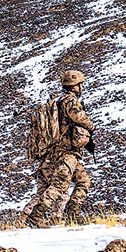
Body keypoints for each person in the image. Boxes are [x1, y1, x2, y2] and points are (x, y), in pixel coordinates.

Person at [25, 70, 94, 227]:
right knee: (60, 185)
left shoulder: (60, 101)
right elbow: (79, 117)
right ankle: (36, 216)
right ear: (74, 86)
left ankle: (73, 214)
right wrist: (90, 126)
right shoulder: (69, 101)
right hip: (66, 151)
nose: (81, 87)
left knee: (83, 181)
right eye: (79, 85)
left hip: (68, 152)